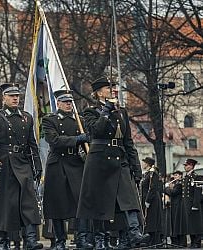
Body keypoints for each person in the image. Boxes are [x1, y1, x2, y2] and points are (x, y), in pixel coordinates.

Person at [77, 77, 148, 249]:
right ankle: (101, 240)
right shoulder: (91, 111)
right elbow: (96, 131)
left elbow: (128, 142)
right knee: (101, 203)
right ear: (99, 92)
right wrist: (106, 110)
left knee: (128, 199)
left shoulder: (121, 112)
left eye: (114, 87)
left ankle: (134, 232)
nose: (113, 90)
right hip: (100, 160)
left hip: (120, 158)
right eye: (109, 88)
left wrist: (136, 168)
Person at [0, 83, 43, 250]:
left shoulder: (27, 117)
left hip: (23, 163)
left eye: (17, 96)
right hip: (4, 165)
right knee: (5, 206)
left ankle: (30, 239)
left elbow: (32, 145)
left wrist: (37, 166)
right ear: (4, 98)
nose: (15, 98)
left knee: (28, 202)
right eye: (12, 96)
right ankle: (3, 242)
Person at [42, 89, 93, 250]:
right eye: (65, 102)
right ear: (58, 103)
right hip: (58, 164)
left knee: (81, 203)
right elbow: (54, 140)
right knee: (57, 205)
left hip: (76, 163)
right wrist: (77, 139)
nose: (68, 104)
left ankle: (81, 238)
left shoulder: (80, 121)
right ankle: (60, 240)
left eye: (70, 102)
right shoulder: (49, 120)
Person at [175, 158, 202, 248]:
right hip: (186, 204)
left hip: (193, 204)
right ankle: (193, 240)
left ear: (191, 166)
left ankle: (197, 242)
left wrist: (195, 205)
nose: (185, 167)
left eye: (186, 165)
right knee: (189, 224)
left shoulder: (195, 177)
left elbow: (197, 192)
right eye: (185, 165)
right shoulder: (186, 177)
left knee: (195, 223)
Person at [140, 157, 162, 246]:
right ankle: (149, 239)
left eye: (144, 162)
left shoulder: (153, 173)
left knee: (152, 220)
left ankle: (154, 241)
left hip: (152, 200)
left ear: (148, 164)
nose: (143, 164)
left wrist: (148, 200)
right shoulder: (147, 174)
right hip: (146, 199)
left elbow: (152, 188)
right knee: (148, 220)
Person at [164, 170, 183, 246]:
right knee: (173, 223)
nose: (175, 177)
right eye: (174, 175)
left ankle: (179, 242)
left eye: (177, 175)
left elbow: (173, 192)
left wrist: (167, 188)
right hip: (173, 206)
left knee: (177, 223)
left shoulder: (179, 184)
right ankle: (175, 241)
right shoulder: (175, 183)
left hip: (178, 205)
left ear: (180, 176)